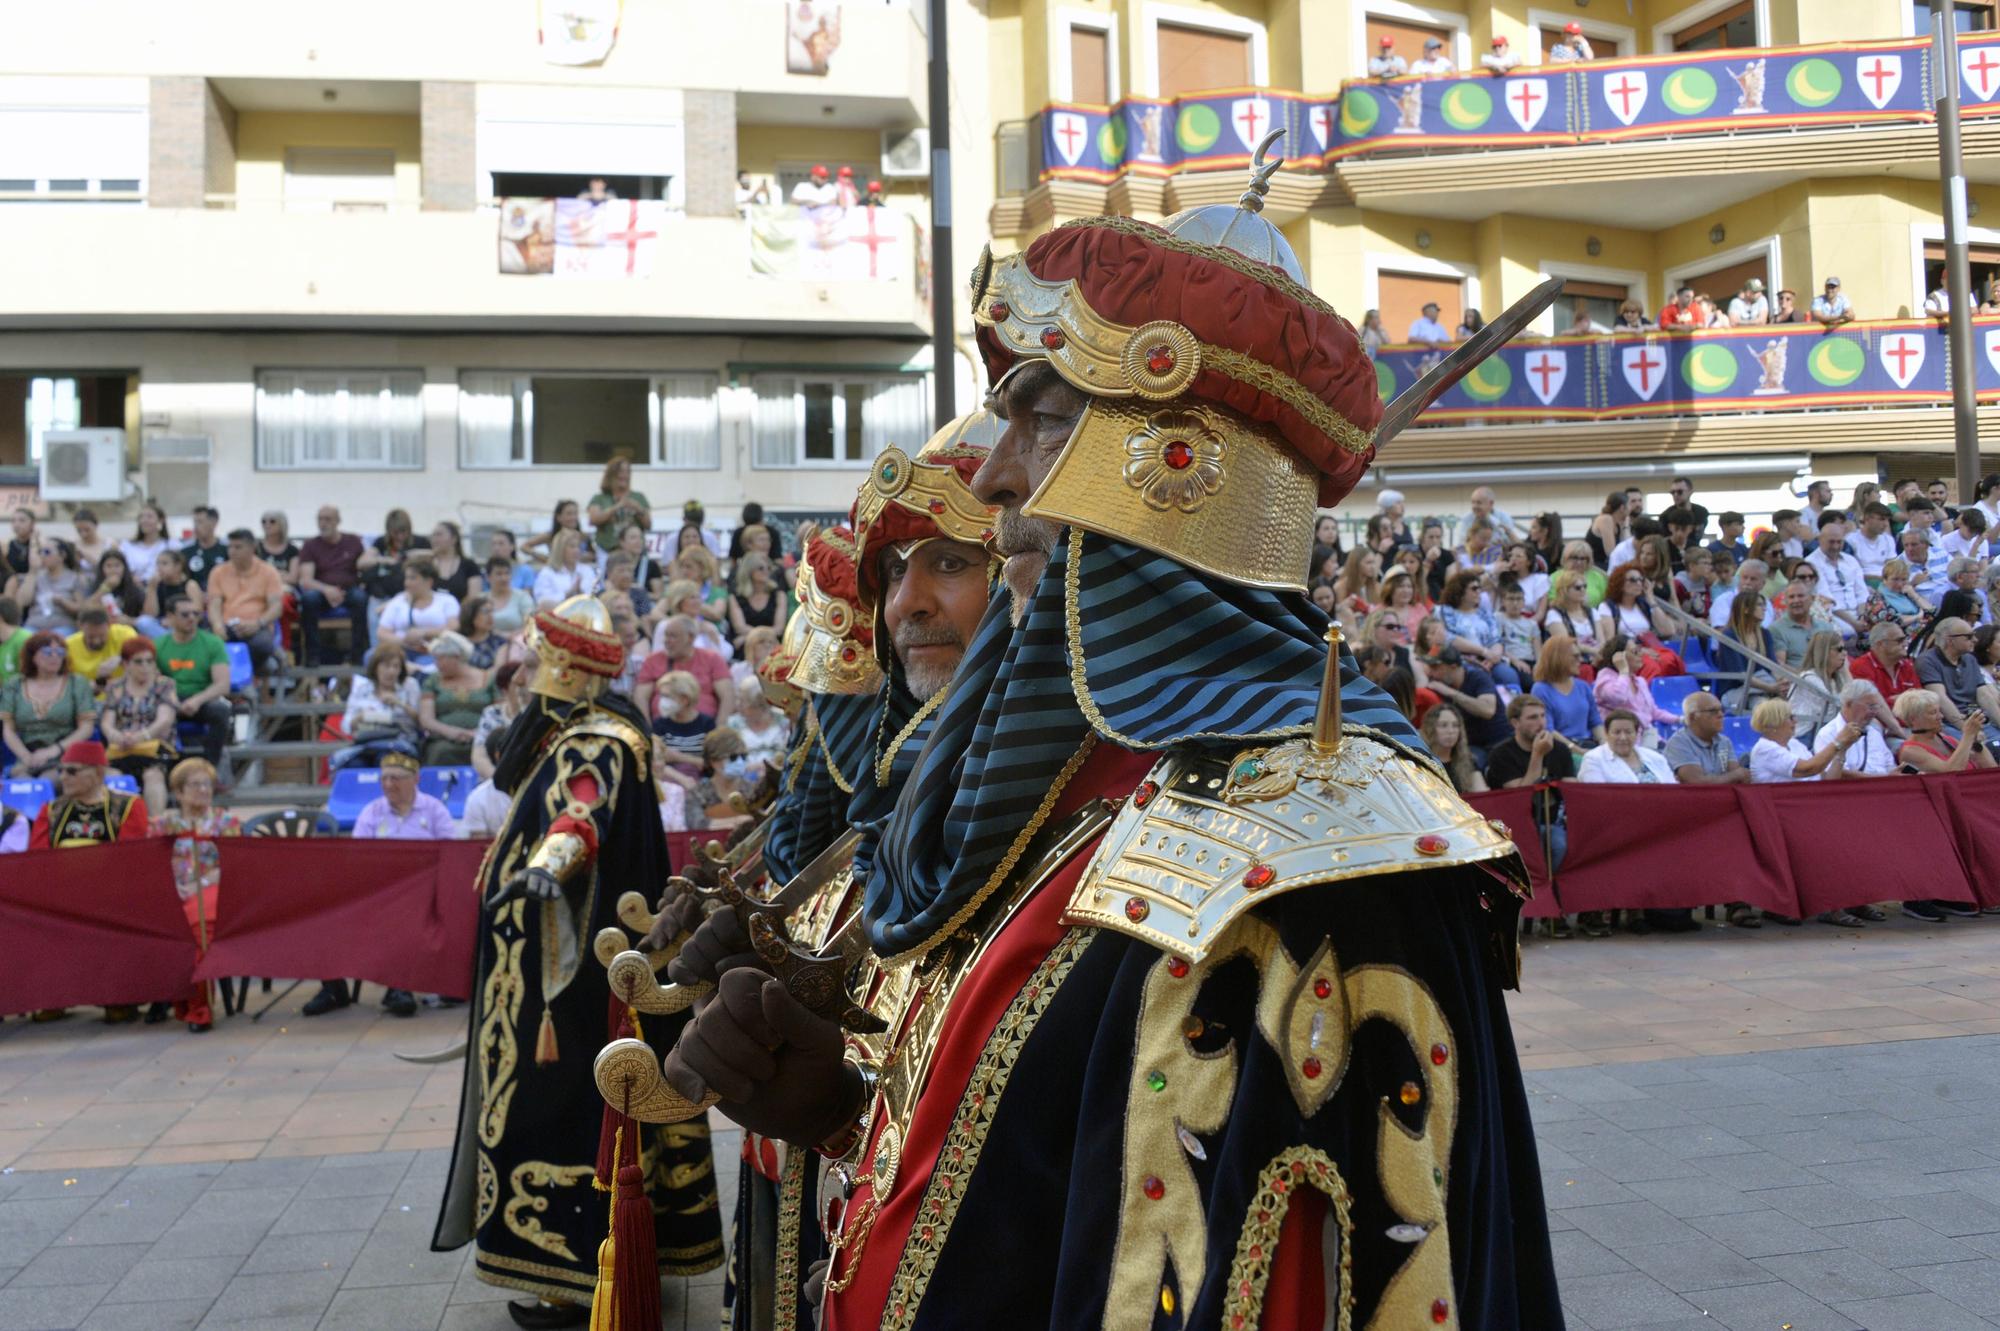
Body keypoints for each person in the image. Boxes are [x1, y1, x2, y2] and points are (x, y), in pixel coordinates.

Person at [662, 197, 1559, 1331]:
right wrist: (840, 1111)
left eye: (1038, 418)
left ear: (1178, 462)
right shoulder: (1048, 791)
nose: (990, 483)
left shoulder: (1329, 852)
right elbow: (1032, 1191)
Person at [432, 598, 720, 1323]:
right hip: (589, 960)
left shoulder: (593, 740)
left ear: (564, 669)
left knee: (563, 1103)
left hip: (566, 976)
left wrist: (551, 861)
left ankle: (569, 1272)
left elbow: (581, 811)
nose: (526, 678)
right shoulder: (592, 731)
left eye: (533, 665)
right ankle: (614, 1257)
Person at [29, 739, 151, 1020]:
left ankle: (118, 997)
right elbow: (36, 859)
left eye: (71, 771)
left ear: (97, 773)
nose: (63, 778)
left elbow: (131, 856)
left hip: (112, 890)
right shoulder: (51, 810)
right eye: (61, 771)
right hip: (60, 891)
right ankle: (53, 997)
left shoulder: (128, 806)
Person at [153, 757, 240, 1032]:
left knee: (198, 929)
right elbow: (151, 865)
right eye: (195, 784)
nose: (203, 790)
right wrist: (171, 886)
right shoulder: (162, 825)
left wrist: (199, 883)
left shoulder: (226, 822)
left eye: (207, 784)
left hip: (213, 888)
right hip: (172, 892)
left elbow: (232, 865)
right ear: (178, 792)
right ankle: (174, 997)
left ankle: (198, 1008)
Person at [0, 633, 97, 777]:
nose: (54, 656)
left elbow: (86, 728)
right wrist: (26, 756)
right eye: (47, 652)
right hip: (27, 755)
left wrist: (54, 750)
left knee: (50, 779)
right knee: (21, 782)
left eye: (60, 652)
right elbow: (8, 729)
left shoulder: (77, 683)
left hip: (65, 754)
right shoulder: (14, 685)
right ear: (32, 656)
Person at [101, 637, 178, 813]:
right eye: (139, 662)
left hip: (155, 749)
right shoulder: (115, 687)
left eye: (149, 661)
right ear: (126, 664)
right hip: (122, 748)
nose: (145, 666)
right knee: (112, 776)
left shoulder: (165, 685)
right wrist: (117, 737)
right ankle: (120, 826)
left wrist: (139, 737)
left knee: (153, 776)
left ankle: (154, 824)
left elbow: (165, 720)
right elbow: (107, 722)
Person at [155, 594, 234, 766]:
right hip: (170, 700)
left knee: (220, 711)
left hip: (201, 699)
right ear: (170, 617)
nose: (191, 618)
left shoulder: (212, 643)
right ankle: (164, 766)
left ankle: (210, 767)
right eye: (185, 614)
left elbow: (223, 684)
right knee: (153, 711)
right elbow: (152, 681)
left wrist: (197, 700)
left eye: (196, 614)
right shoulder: (159, 645)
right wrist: (172, 700)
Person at [296, 505, 369, 666]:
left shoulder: (353, 541)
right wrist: (326, 590)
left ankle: (357, 654)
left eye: (327, 519)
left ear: (338, 521)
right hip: (321, 589)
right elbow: (306, 580)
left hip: (349, 589)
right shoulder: (310, 545)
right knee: (308, 599)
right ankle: (312, 655)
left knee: (361, 598)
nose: (323, 523)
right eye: (320, 519)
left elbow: (363, 569)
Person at [207, 528, 286, 673]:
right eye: (230, 547)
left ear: (252, 548)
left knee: (262, 644)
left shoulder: (268, 572)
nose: (232, 551)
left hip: (257, 626)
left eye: (238, 547)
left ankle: (247, 676)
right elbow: (214, 604)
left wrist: (258, 623)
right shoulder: (218, 572)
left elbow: (276, 607)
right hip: (227, 625)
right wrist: (218, 625)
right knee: (206, 642)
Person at [635, 614, 736, 726]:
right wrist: (648, 731)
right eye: (666, 635)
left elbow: (727, 696)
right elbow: (641, 698)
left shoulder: (712, 659)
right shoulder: (653, 660)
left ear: (690, 638)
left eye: (673, 636)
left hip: (704, 730)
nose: (666, 641)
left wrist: (719, 730)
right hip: (663, 732)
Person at [417, 632, 495, 766]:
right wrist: (452, 732)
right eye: (435, 659)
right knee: (441, 752)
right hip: (444, 740)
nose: (437, 664)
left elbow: (499, 711)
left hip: (483, 738)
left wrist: (479, 734)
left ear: (457, 657)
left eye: (441, 659)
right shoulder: (432, 681)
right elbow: (426, 719)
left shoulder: (487, 678)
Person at [1421, 645, 1509, 757]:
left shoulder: (1477, 676)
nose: (1431, 673)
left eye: (1435, 667)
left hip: (1499, 741)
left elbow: (1488, 710)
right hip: (1471, 745)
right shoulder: (1439, 683)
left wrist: (1451, 693)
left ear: (1453, 667)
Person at [375, 559, 461, 662]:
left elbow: (453, 627)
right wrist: (404, 641)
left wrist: (424, 633)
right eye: (406, 578)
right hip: (401, 651)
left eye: (413, 578)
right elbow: (382, 632)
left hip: (436, 652)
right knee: (372, 656)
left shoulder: (446, 600)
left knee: (425, 662)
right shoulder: (398, 601)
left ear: (429, 581)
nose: (407, 583)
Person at [1532, 631, 1604, 746]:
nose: (1580, 660)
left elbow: (1595, 721)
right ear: (1559, 658)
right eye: (1575, 656)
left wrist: (1604, 744)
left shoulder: (1583, 686)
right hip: (1561, 748)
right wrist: (1575, 749)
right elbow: (1548, 729)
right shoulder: (1541, 689)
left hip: (1588, 744)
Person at [357, 507, 431, 610]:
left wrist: (413, 555)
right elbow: (361, 563)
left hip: (410, 592)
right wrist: (384, 560)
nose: (400, 536)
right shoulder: (381, 542)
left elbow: (435, 555)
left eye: (403, 531)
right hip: (383, 593)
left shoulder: (420, 542)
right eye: (395, 532)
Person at [471, 659, 532, 781]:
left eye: (525, 684)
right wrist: (499, 780)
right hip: (494, 780)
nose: (522, 689)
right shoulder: (492, 714)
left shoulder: (535, 716)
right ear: (504, 691)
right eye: (517, 685)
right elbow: (479, 756)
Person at [14, 536, 84, 635]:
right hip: (34, 625)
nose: (42, 556)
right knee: (22, 639)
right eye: (40, 552)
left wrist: (63, 602)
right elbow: (22, 602)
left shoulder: (75, 578)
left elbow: (81, 608)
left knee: (55, 641)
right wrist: (32, 571)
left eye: (47, 552)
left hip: (62, 626)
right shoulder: (36, 576)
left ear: (62, 555)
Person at [1786, 628, 1849, 737]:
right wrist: (1846, 672)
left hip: (1823, 730)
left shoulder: (1836, 679)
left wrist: (1845, 672)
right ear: (1824, 652)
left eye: (1845, 649)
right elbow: (1831, 711)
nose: (1844, 653)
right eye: (1839, 649)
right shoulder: (1809, 677)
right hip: (1804, 734)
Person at [586, 455, 651, 554]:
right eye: (621, 471)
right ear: (611, 474)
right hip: (607, 551)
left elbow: (648, 524)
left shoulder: (639, 497)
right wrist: (617, 506)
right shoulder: (599, 498)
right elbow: (594, 519)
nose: (625, 475)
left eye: (628, 472)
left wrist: (638, 509)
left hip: (634, 554)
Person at [726, 550, 788, 648]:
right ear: (749, 571)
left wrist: (747, 637)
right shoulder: (736, 597)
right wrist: (759, 636)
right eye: (761, 568)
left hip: (772, 644)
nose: (766, 571)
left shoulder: (779, 595)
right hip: (746, 647)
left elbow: (779, 629)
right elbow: (740, 628)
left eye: (768, 568)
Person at [1421, 702, 1486, 792]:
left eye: (1455, 725)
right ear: (1430, 729)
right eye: (1443, 725)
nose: (1451, 731)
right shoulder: (1421, 761)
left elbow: (1482, 794)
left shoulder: (1468, 761)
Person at [64, 607, 136, 687]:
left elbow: (141, 654)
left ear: (109, 625)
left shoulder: (124, 634)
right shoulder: (69, 645)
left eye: (102, 636)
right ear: (80, 627)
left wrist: (121, 659)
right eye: (91, 637)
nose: (96, 641)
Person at [532, 529, 598, 608]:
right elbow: (542, 601)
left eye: (578, 547)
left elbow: (595, 596)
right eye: (572, 547)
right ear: (560, 549)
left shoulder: (587, 570)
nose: (577, 550)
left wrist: (581, 594)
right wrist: (567, 594)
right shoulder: (547, 573)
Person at [85, 549, 144, 627]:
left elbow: (147, 616)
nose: (113, 570)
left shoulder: (133, 587)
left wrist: (129, 620)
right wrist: (105, 587)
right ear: (102, 569)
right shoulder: (94, 587)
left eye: (117, 566)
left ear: (124, 568)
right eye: (109, 566)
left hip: (128, 628)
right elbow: (85, 610)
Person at [119, 501, 171, 583]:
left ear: (161, 520)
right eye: (141, 517)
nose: (144, 520)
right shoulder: (127, 546)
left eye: (149, 517)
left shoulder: (170, 545)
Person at [179, 506, 226, 590]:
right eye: (194, 522)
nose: (195, 527)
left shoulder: (226, 550)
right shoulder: (186, 552)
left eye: (200, 522)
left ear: (214, 523)